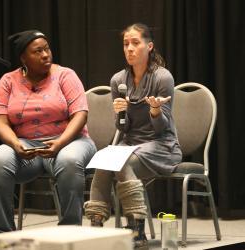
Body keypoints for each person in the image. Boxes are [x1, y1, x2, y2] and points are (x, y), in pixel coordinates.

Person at [84, 23, 182, 250]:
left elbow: (160, 129)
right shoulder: (118, 80)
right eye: (126, 44)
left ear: (149, 46)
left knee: (121, 160)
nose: (129, 48)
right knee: (103, 159)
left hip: (161, 145)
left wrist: (156, 110)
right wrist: (121, 113)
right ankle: (95, 227)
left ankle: (136, 228)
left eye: (135, 43)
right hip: (131, 143)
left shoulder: (162, 78)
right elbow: (123, 128)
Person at [0, 30, 97, 233]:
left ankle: (70, 230)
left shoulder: (65, 75)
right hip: (26, 145)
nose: (45, 54)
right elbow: (0, 121)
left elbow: (80, 115)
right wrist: (15, 143)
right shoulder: (8, 80)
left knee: (68, 160)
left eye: (47, 48)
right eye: (37, 51)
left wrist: (60, 143)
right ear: (23, 58)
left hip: (70, 141)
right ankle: (3, 233)